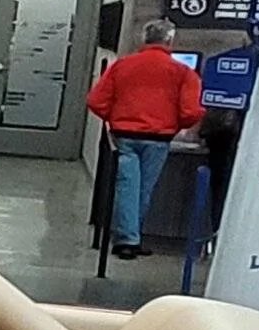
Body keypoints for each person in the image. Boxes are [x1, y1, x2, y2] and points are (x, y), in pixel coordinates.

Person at [84, 18, 205, 260]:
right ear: (169, 40)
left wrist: (115, 118)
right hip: (159, 138)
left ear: (144, 39)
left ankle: (127, 239)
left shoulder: (122, 66)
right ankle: (130, 239)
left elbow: (96, 100)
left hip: (124, 136)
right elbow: (191, 111)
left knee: (127, 186)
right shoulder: (183, 72)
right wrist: (176, 124)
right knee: (143, 190)